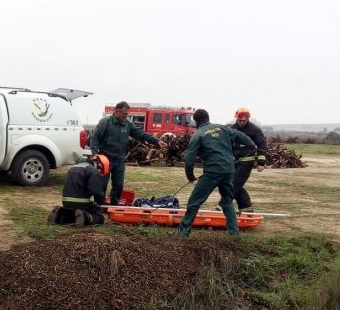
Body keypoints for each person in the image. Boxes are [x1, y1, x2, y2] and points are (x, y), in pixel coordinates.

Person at [170, 108, 256, 237]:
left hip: (212, 173)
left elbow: (189, 159)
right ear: (208, 118)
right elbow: (239, 135)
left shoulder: (198, 134)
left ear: (196, 121)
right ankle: (234, 234)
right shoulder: (222, 128)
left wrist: (190, 176)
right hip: (228, 171)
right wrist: (251, 144)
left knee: (194, 202)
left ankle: (182, 232)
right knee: (227, 202)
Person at [90, 101, 167, 205]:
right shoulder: (105, 122)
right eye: (124, 114)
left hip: (119, 160)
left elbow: (141, 134)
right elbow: (94, 138)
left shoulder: (128, 125)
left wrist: (156, 140)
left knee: (118, 186)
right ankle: (98, 206)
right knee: (101, 185)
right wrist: (96, 155)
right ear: (117, 111)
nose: (126, 116)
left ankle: (114, 207)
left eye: (127, 114)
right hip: (105, 160)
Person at [47, 155, 110, 227]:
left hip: (66, 202)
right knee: (99, 217)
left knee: (73, 215)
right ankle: (85, 216)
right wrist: (101, 201)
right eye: (100, 171)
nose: (99, 173)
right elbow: (96, 191)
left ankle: (59, 214)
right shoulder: (92, 170)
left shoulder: (74, 167)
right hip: (81, 203)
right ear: (99, 165)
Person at [230, 107, 267, 213]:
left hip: (247, 161)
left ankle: (223, 205)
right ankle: (246, 208)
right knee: (234, 185)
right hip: (234, 162)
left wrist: (261, 163)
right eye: (240, 120)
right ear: (236, 118)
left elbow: (262, 146)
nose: (242, 122)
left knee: (234, 184)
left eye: (244, 120)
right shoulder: (232, 129)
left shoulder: (254, 130)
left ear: (248, 119)